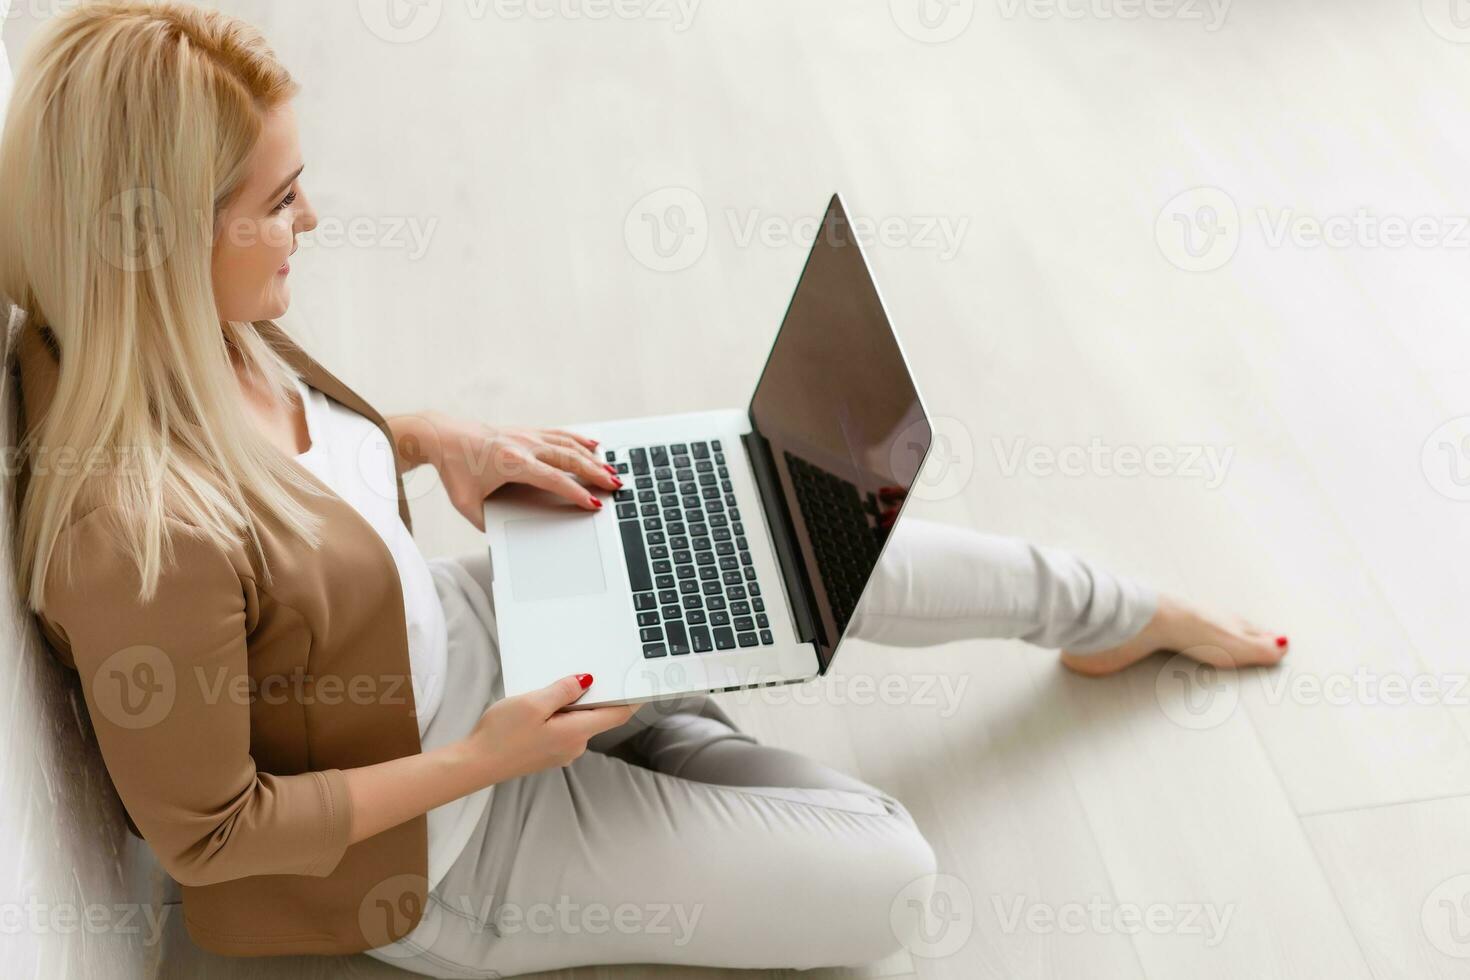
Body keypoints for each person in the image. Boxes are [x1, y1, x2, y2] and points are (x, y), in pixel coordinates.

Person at [0, 3, 1287, 975]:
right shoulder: (131, 537)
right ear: (159, 241)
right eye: (280, 203)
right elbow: (212, 835)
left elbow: (279, 479)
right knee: (892, 873)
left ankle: (1116, 612)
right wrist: (486, 758)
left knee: (798, 527)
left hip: (466, 638)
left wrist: (428, 436)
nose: (315, 221)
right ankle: (664, 728)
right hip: (446, 848)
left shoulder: (166, 325)